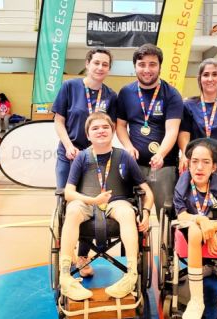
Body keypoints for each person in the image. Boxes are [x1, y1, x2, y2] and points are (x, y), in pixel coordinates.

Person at [59, 112, 154, 301]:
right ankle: (65, 276)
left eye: (105, 127)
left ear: (112, 131)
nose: (101, 131)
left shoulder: (124, 156)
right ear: (88, 135)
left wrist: (146, 212)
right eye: (95, 128)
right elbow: (68, 193)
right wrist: (93, 200)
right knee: (72, 209)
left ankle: (131, 274)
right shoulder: (82, 157)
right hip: (87, 202)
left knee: (127, 212)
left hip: (116, 203)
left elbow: (148, 192)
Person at [53, 48, 118, 275]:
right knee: (67, 203)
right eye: (96, 62)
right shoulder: (70, 87)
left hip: (94, 159)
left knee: (89, 205)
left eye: (105, 64)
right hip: (69, 155)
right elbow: (59, 121)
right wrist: (68, 145)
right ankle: (66, 255)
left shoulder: (111, 96)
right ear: (88, 64)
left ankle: (82, 257)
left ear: (109, 69)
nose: (100, 67)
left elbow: (110, 128)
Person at [173, 138, 217, 319]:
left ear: (214, 167)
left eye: (206, 162)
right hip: (192, 226)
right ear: (188, 164)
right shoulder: (183, 182)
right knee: (195, 231)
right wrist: (201, 221)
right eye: (195, 161)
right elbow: (182, 215)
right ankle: (196, 301)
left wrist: (212, 228)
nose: (199, 167)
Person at [116, 43, 183, 219]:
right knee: (133, 215)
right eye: (142, 64)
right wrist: (128, 147)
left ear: (160, 66)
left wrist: (160, 154)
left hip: (164, 166)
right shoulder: (125, 93)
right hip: (135, 166)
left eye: (152, 64)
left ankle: (167, 239)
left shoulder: (172, 94)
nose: (147, 69)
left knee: (166, 215)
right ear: (135, 67)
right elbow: (120, 126)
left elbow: (172, 130)